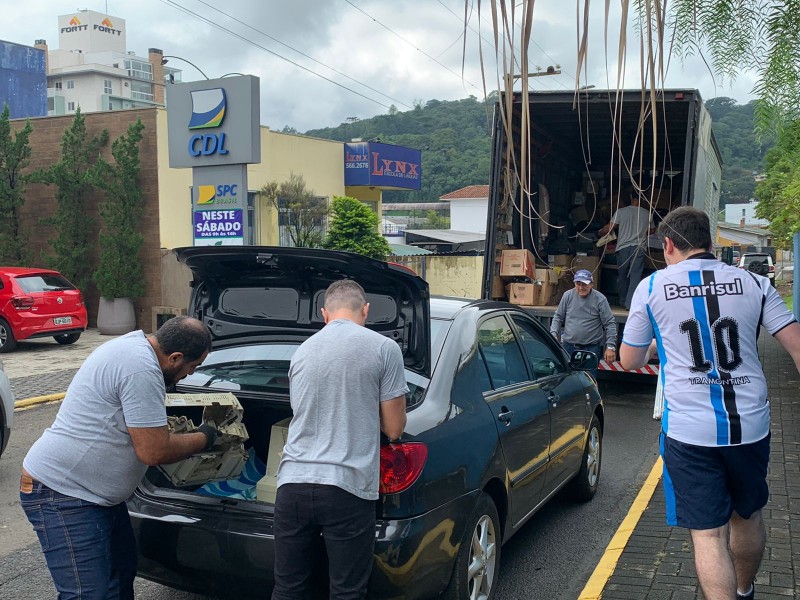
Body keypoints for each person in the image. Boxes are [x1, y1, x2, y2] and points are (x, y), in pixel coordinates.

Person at [619, 207, 800, 600]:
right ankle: (745, 589)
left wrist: (658, 347)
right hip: (750, 425)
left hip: (690, 432)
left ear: (668, 244)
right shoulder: (755, 283)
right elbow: (796, 346)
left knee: (708, 535)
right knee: (747, 516)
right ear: (710, 242)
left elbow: (629, 360)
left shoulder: (651, 287)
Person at [20, 316, 215, 600]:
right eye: (193, 367)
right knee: (89, 595)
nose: (189, 374)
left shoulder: (133, 347)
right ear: (175, 357)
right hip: (63, 494)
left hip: (98, 498)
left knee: (120, 581)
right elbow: (153, 451)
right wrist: (205, 437)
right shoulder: (141, 368)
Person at [272, 279, 408, 600]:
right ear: (366, 310)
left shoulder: (301, 352)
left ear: (324, 314)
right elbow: (394, 429)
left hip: (291, 485)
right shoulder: (384, 348)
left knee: (289, 588)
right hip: (346, 488)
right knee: (347, 592)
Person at [550, 268, 617, 378]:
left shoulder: (600, 299)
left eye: (584, 284)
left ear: (591, 284)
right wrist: (553, 334)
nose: (581, 287)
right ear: (574, 284)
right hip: (569, 346)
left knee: (589, 379)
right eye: (578, 284)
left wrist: (610, 346)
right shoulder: (568, 295)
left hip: (590, 348)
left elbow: (610, 323)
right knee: (567, 379)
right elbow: (558, 317)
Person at [598, 188, 653, 310]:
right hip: (639, 248)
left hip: (623, 248)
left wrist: (600, 232)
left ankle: (623, 301)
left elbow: (609, 228)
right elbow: (651, 231)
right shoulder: (647, 213)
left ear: (631, 197)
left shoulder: (621, 212)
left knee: (622, 275)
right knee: (635, 276)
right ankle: (630, 304)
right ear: (643, 199)